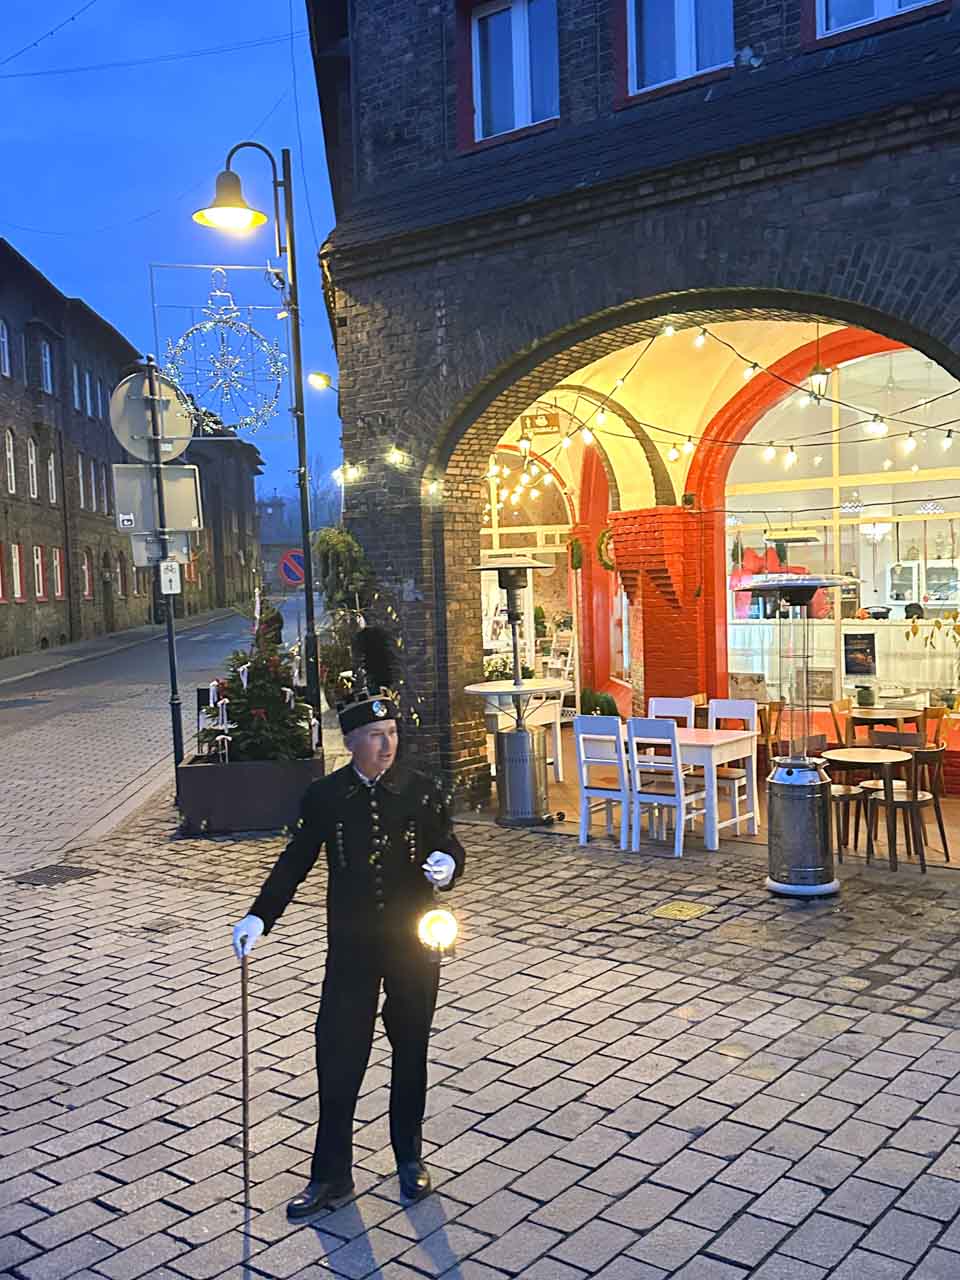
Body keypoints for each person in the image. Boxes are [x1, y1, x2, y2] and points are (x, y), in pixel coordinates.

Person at [230, 632, 465, 1221]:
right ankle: (331, 1175)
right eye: (375, 738)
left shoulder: (420, 789)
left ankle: (408, 1159)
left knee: (410, 1050)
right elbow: (295, 860)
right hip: (353, 948)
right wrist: (261, 915)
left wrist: (450, 864)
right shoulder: (326, 797)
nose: (388, 746)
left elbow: (449, 844)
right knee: (338, 1055)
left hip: (415, 946)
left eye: (392, 736)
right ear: (352, 743)